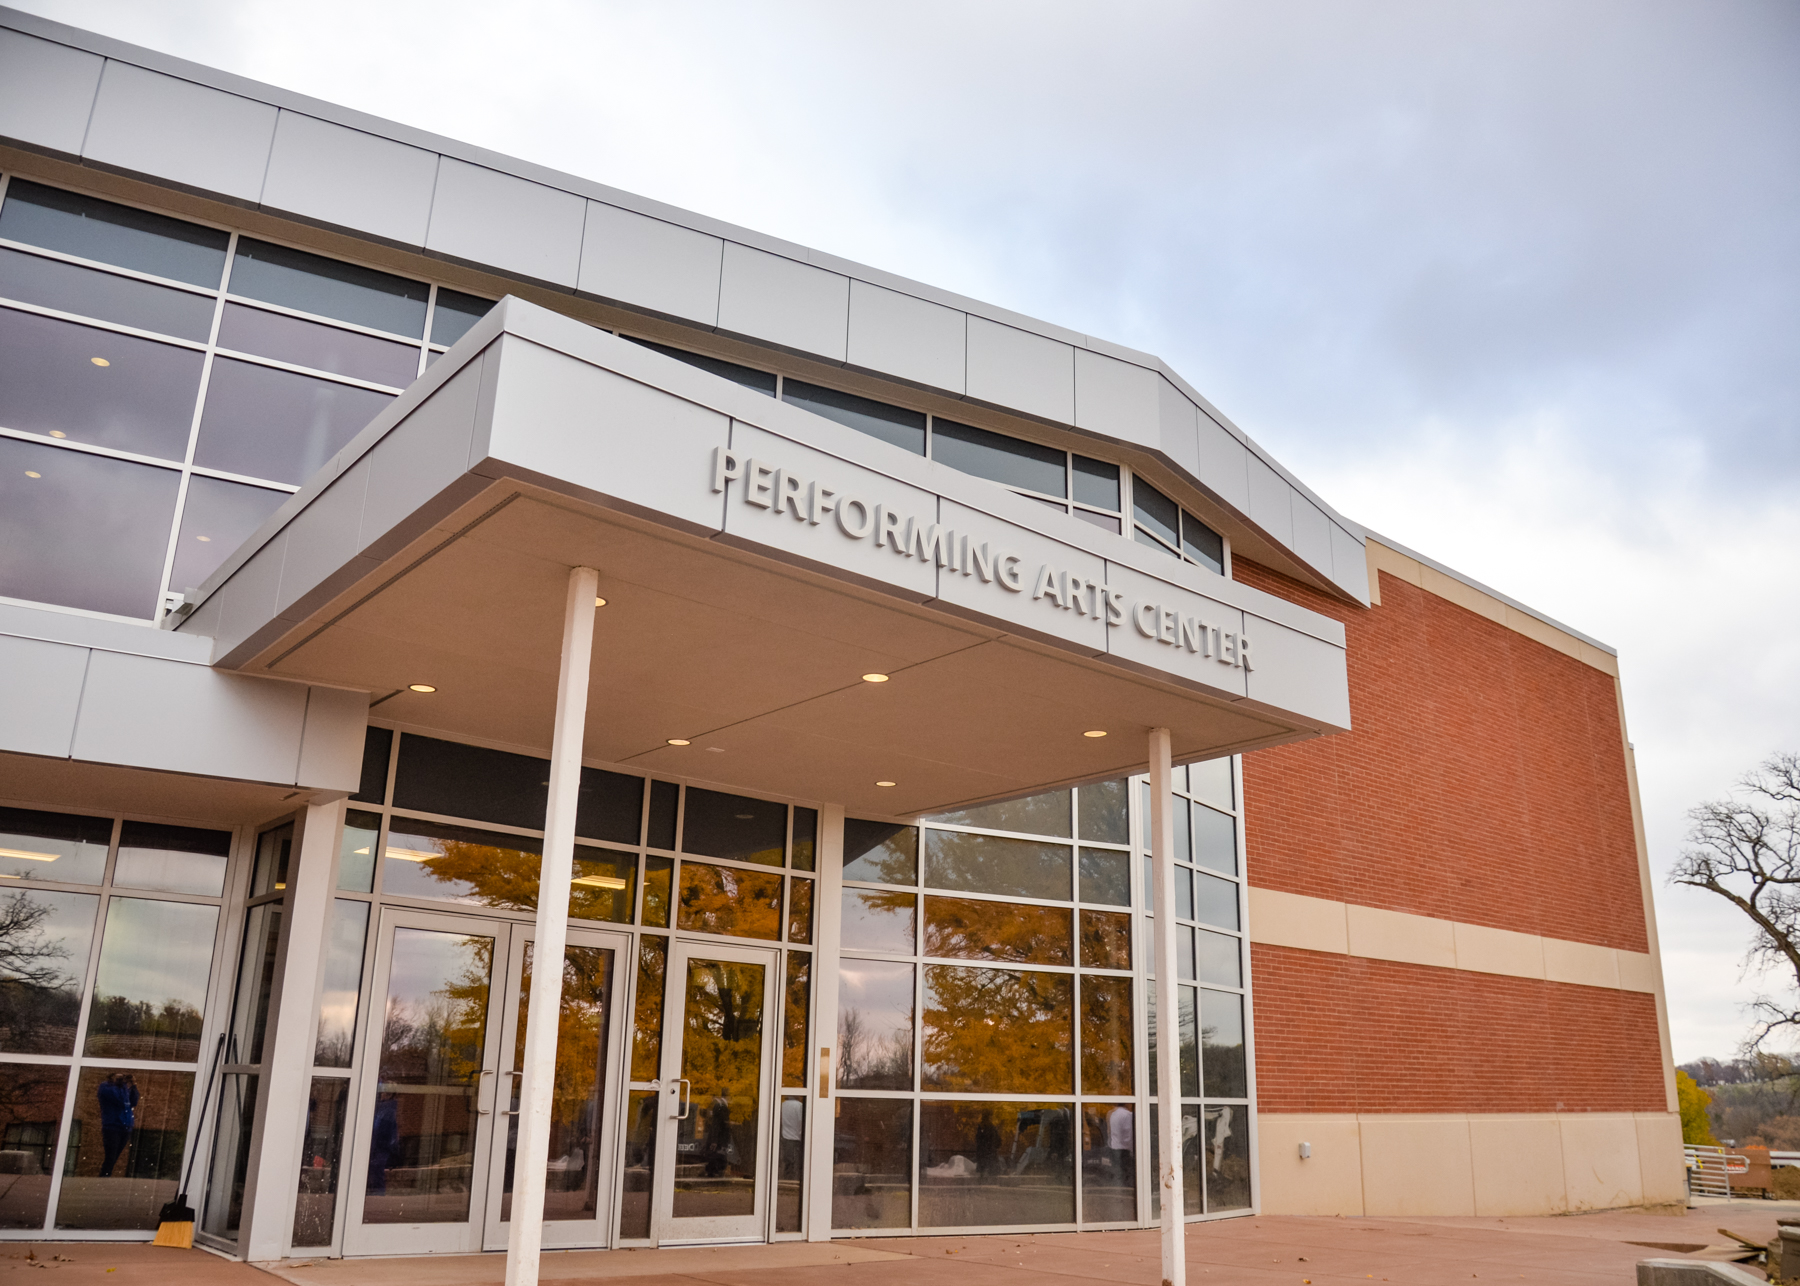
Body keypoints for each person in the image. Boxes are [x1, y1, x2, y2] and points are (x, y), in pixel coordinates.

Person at [97, 1072, 138, 1177]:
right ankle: (104, 1176)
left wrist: (133, 1085)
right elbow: (118, 1099)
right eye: (118, 1077)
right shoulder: (105, 1088)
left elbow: (133, 1101)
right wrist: (122, 1085)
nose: (120, 1079)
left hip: (125, 1126)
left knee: (115, 1156)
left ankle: (105, 1175)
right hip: (112, 1126)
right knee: (111, 1155)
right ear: (110, 1077)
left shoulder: (123, 1089)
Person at [1107, 1104, 1135, 1183]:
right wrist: (1132, 1149)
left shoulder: (1112, 1114)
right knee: (1126, 1172)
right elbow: (1129, 1135)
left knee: (1117, 1171)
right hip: (1125, 1149)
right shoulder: (1128, 1115)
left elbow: (1109, 1131)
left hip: (1113, 1147)